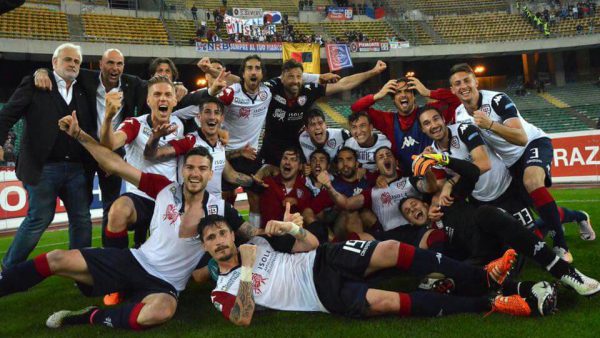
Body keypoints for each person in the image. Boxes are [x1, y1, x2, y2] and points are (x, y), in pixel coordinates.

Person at [0, 112, 257, 330]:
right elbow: (115, 163)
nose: (195, 173)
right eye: (190, 167)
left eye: (202, 169)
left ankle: (89, 316)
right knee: (56, 258)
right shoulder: (164, 189)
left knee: (163, 311)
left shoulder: (220, 208)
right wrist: (80, 136)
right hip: (135, 261)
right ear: (182, 170)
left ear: (210, 173)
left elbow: (250, 233)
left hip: (166, 285)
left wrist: (285, 230)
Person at [203, 215, 557, 326]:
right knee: (387, 302)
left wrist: (292, 229)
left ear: (231, 234)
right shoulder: (224, 286)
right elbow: (243, 318)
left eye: (222, 233)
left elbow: (310, 245)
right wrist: (247, 270)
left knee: (389, 249)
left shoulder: (260, 243)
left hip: (323, 259)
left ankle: (483, 277)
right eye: (211, 238)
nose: (219, 240)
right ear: (205, 247)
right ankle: (491, 301)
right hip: (321, 295)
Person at [396, 153, 600, 297]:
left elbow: (472, 173)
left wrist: (443, 160)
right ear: (410, 222)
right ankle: (528, 291)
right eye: (408, 213)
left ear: (424, 202)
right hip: (481, 259)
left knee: (491, 216)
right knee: (463, 276)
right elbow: (427, 261)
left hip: (501, 238)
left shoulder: (450, 201)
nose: (412, 210)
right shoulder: (425, 234)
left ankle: (564, 272)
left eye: (413, 204)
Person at [450, 63, 573, 263]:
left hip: (533, 144)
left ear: (476, 82)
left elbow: (521, 138)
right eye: (458, 83)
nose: (463, 86)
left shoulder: (497, 99)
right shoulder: (459, 115)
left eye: (467, 80)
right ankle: (579, 217)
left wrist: (490, 124)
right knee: (536, 208)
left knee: (532, 182)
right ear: (453, 90)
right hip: (510, 164)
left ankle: (561, 244)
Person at [33, 48, 149, 247]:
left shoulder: (132, 83)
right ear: (100, 65)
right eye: (110, 63)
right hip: (85, 152)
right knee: (81, 210)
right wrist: (40, 72)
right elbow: (58, 70)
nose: (115, 68)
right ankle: (82, 255)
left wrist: (178, 86)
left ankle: (109, 253)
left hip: (113, 153)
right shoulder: (85, 78)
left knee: (111, 206)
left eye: (119, 64)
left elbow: (156, 83)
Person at [0, 43, 94, 269]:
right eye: (68, 60)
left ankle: (81, 269)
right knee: (39, 218)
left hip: (77, 168)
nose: (73, 64)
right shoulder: (35, 84)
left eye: (77, 61)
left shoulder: (84, 87)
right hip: (43, 167)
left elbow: (115, 74)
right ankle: (9, 269)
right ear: (54, 62)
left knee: (82, 220)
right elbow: (7, 115)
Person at [260, 59, 387, 167]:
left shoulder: (308, 90)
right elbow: (248, 87)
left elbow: (344, 84)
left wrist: (373, 72)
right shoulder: (271, 88)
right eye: (290, 76)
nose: (295, 81)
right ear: (282, 78)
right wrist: (317, 77)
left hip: (294, 144)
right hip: (271, 144)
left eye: (299, 77)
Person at [317, 147, 439, 247]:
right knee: (356, 231)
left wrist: (427, 170)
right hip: (389, 237)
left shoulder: (410, 181)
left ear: (396, 162)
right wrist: (329, 187)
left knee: (434, 235)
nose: (385, 157)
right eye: (380, 157)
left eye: (388, 155)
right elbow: (346, 204)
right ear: (377, 166)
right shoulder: (372, 191)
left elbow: (431, 187)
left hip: (416, 230)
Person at [144, 96, 263, 196]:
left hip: (215, 207)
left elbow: (231, 175)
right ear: (199, 117)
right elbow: (152, 155)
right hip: (190, 209)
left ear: (222, 118)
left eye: (216, 113)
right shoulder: (189, 141)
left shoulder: (220, 145)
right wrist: (155, 138)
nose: (212, 117)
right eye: (207, 112)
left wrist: (254, 182)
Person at [350, 77, 460, 175]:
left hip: (437, 174)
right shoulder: (388, 120)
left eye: (407, 91)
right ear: (393, 99)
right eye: (398, 92)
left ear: (413, 96)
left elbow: (456, 100)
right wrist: (378, 95)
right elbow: (356, 108)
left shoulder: (429, 113)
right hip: (407, 179)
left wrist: (428, 92)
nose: (403, 95)